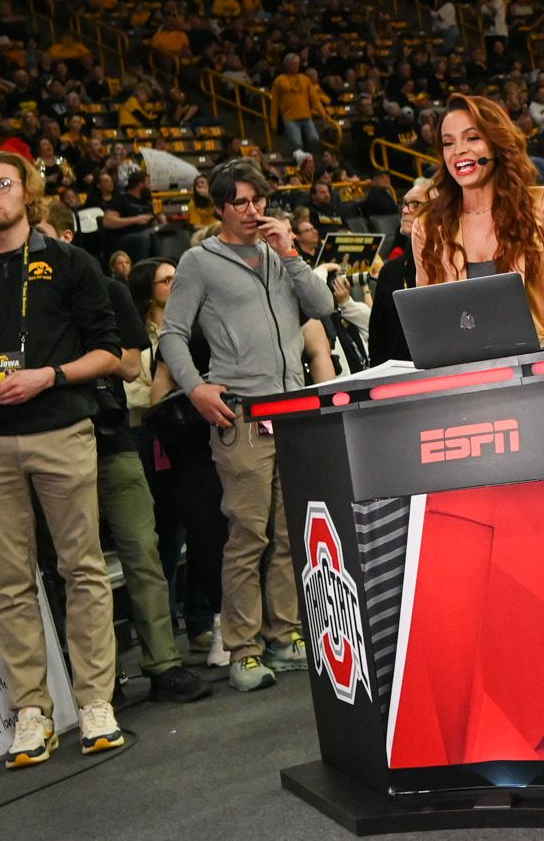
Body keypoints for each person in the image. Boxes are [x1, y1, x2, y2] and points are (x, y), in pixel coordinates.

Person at [0, 153, 126, 767]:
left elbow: (111, 354)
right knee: (10, 581)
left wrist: (48, 376)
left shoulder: (70, 263)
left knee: (83, 568)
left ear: (27, 193)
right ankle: (32, 711)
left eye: (3, 185)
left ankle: (96, 701)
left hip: (60, 428)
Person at [155, 159, 334, 693]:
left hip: (291, 413)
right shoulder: (199, 261)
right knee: (247, 535)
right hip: (243, 414)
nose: (253, 210)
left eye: (259, 200)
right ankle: (243, 648)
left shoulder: (280, 257)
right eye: (241, 202)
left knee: (286, 535)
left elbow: (322, 307)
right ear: (220, 207)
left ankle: (283, 637)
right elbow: (172, 334)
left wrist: (291, 254)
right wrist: (196, 387)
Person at [37, 209, 209, 704]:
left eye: (43, 233)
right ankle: (100, 680)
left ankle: (164, 663)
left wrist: (61, 373)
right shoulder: (21, 306)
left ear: (66, 236)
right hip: (50, 440)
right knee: (74, 565)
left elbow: (132, 366)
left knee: (143, 550)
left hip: (111, 436)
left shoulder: (107, 291)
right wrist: (87, 367)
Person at [411, 95, 544, 349]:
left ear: (496, 144)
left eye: (473, 138)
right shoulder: (427, 227)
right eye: (448, 143)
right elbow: (428, 316)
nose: (458, 151)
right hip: (471, 376)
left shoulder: (543, 205)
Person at [130, 258, 225, 665]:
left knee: (209, 532)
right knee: (169, 538)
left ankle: (206, 622)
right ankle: (167, 633)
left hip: (210, 438)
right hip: (165, 439)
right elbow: (144, 395)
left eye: (177, 278)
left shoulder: (209, 321)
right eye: (165, 280)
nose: (174, 284)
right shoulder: (143, 335)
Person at [367, 177, 428, 366]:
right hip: (399, 381)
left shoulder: (455, 263)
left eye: (415, 204)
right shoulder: (391, 271)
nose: (404, 210)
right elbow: (378, 342)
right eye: (404, 204)